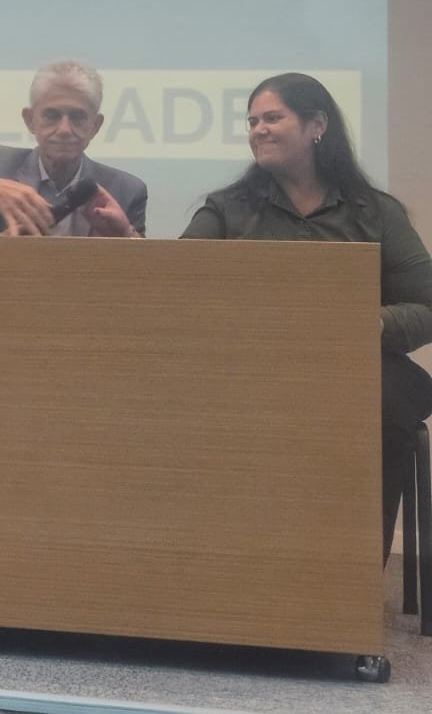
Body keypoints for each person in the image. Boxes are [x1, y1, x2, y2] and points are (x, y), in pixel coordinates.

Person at [181, 72, 432, 559]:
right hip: (252, 371)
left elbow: (427, 306)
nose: (258, 129)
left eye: (272, 118)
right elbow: (181, 285)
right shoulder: (226, 210)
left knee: (383, 403)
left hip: (357, 371)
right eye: (252, 121)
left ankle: (354, 570)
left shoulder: (377, 212)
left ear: (317, 125)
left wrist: (373, 323)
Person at [0, 61, 146, 237]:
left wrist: (126, 234)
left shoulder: (127, 190)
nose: (64, 130)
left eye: (77, 117)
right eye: (52, 115)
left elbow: (146, 264)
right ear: (30, 120)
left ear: (95, 126)